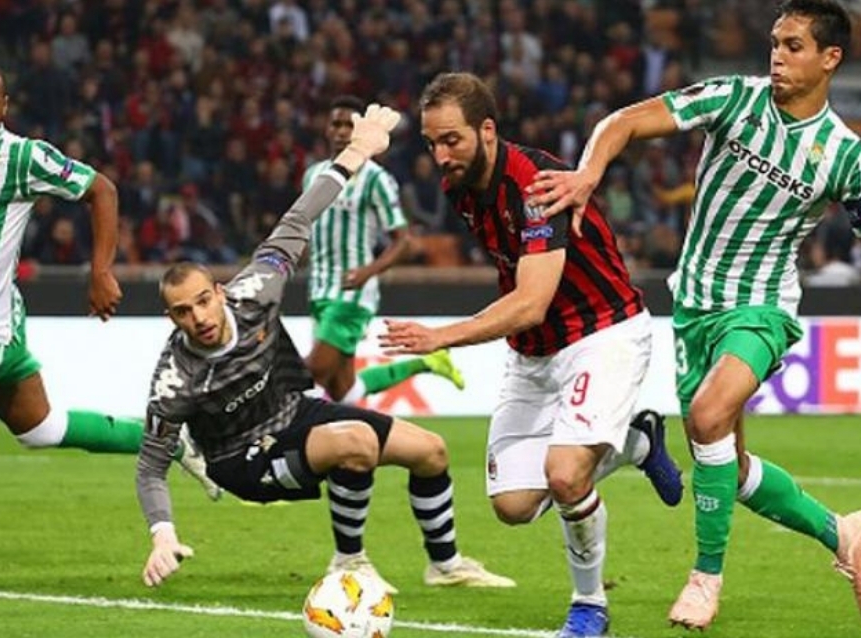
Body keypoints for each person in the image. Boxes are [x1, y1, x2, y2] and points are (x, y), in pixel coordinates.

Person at [528, 0, 861, 629]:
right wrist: (588, 173)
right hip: (694, 305)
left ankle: (706, 579)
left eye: (793, 46)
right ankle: (844, 535)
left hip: (761, 305)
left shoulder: (844, 155)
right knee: (729, 469)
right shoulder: (734, 99)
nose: (778, 56)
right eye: (775, 43)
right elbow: (625, 121)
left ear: (830, 58)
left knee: (708, 417)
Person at [137, 104, 514, 595]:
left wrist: (358, 150)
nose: (199, 318)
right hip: (240, 458)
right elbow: (150, 465)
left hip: (293, 412)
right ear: (172, 318)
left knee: (431, 451)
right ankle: (349, 562)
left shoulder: (256, 290)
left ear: (221, 292)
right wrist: (163, 534)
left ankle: (445, 565)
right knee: (355, 442)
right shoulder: (175, 378)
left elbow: (301, 216)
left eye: (204, 301)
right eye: (183, 312)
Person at [379, 72, 684, 638]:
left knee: (566, 477)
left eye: (451, 140)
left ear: (487, 130)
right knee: (513, 505)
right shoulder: (460, 185)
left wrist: (442, 336)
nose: (440, 156)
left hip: (602, 331)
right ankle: (637, 442)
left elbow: (530, 303)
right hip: (535, 355)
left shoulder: (535, 185)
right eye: (431, 143)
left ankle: (589, 606)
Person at [0, 59, 218, 498]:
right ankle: (171, 439)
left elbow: (101, 190)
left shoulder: (23, 157)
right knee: (42, 430)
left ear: (4, 105)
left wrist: (100, 272)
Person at [303, 95, 465, 405]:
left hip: (350, 294)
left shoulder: (375, 178)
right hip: (319, 290)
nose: (341, 131)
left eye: (349, 125)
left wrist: (368, 272)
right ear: (326, 128)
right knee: (344, 392)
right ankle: (426, 363)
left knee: (312, 373)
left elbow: (404, 241)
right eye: (336, 124)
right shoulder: (313, 175)